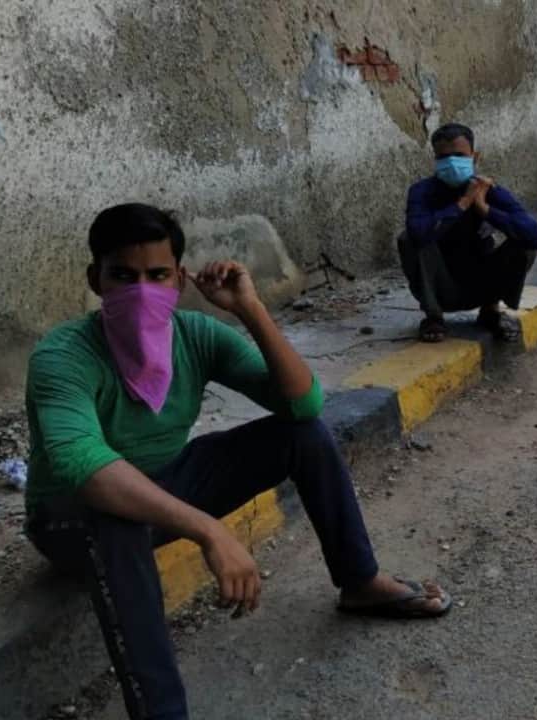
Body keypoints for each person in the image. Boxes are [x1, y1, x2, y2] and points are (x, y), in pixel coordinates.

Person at [24, 204, 453, 720]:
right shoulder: (63, 355)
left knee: (304, 435)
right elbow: (83, 467)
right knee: (119, 522)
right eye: (123, 276)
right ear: (96, 279)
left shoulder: (195, 336)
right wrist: (208, 529)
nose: (141, 290)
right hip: (72, 516)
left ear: (179, 279)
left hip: (166, 479)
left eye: (157, 275)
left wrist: (250, 310)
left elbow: (302, 403)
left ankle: (360, 582)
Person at [401, 123, 537, 343]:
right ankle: (433, 317)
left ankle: (491, 311)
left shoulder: (488, 191)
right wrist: (461, 205)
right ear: (436, 159)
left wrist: (485, 209)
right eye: (444, 157)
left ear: (474, 157)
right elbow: (417, 234)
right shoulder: (422, 192)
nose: (451, 162)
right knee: (410, 238)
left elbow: (534, 235)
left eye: (459, 155)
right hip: (442, 286)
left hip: (483, 283)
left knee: (524, 242)